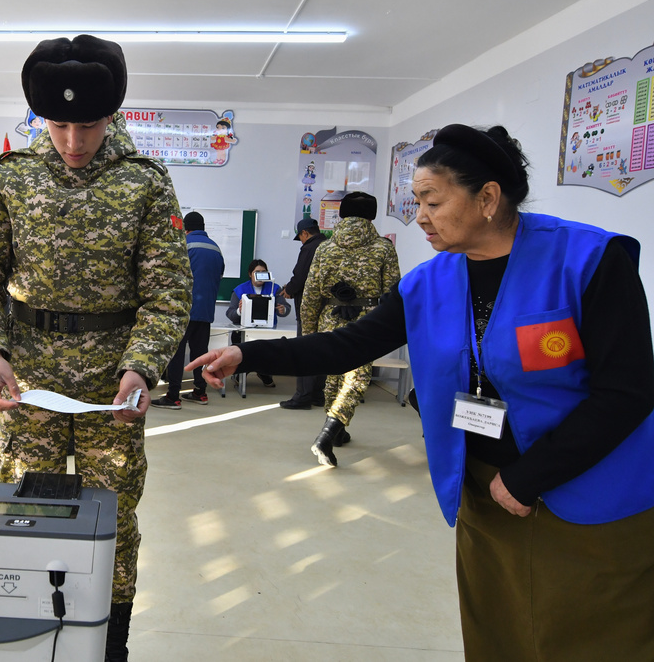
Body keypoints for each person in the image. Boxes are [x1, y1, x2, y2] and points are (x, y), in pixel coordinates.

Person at [186, 124, 654, 661]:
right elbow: (347, 345)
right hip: (487, 490)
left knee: (594, 636)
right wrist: (250, 354)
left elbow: (628, 391)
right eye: (416, 202)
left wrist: (530, 478)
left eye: (431, 200)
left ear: (487, 198)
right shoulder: (430, 281)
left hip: (589, 490)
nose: (420, 216)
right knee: (498, 631)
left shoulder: (588, 262)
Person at [0, 34, 192, 662]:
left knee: (113, 517)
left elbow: (168, 290)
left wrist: (141, 366)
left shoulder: (146, 182)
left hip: (113, 387)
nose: (73, 141)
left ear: (113, 114)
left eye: (88, 124)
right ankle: (28, 635)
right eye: (58, 124)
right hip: (28, 382)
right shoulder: (12, 177)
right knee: (22, 507)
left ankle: (111, 642)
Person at [302, 192, 400, 465]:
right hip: (367, 320)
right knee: (356, 379)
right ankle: (326, 435)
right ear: (373, 215)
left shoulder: (325, 247)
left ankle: (339, 431)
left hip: (329, 316)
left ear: (341, 215)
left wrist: (308, 335)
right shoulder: (383, 248)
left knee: (334, 376)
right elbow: (394, 291)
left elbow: (311, 294)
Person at [153, 211, 224, 408]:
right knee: (200, 353)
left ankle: (173, 396)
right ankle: (200, 392)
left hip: (184, 310)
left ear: (186, 228)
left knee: (176, 353)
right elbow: (219, 277)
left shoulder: (184, 246)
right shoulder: (216, 248)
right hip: (206, 311)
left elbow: (171, 276)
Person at [280, 217, 327, 409]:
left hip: (308, 309)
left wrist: (288, 290)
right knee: (322, 351)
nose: (300, 240)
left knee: (305, 351)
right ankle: (317, 394)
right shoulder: (328, 246)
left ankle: (302, 397)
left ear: (305, 233)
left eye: (299, 237)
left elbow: (300, 276)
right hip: (326, 309)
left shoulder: (309, 248)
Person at [225, 259, 290, 388]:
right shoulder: (239, 290)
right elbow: (230, 314)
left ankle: (263, 371)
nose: (260, 275)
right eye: (257, 272)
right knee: (245, 345)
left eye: (263, 272)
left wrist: (283, 309)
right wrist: (239, 311)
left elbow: (286, 309)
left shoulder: (274, 288)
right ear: (250, 274)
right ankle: (244, 371)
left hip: (267, 331)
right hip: (244, 332)